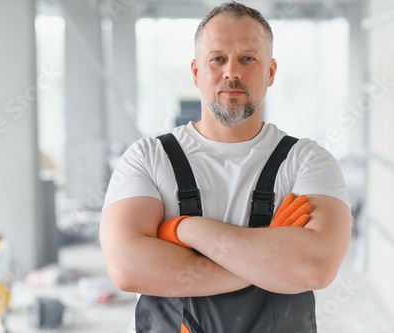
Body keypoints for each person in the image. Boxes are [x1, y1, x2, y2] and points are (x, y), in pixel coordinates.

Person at [100, 2, 352, 332]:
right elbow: (127, 268)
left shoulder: (308, 162)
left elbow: (315, 267)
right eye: (217, 58)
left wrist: (186, 230)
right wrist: (270, 262)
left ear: (271, 72)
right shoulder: (148, 158)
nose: (231, 71)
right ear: (195, 72)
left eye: (247, 58)